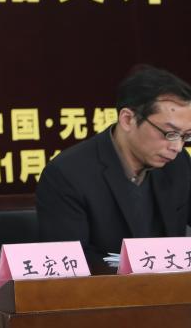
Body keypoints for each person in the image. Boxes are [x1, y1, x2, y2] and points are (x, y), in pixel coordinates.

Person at [36, 64, 191, 260]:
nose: (177, 147)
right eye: (170, 133)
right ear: (128, 119)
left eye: (186, 136)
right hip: (105, 280)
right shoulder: (67, 174)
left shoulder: (178, 164)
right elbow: (68, 263)